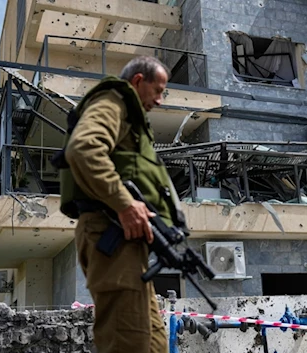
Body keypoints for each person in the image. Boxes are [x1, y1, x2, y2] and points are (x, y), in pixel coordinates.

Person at [58, 56, 180, 353]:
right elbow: (84, 149)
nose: (160, 101)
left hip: (128, 245)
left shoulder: (130, 117)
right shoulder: (114, 102)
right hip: (110, 234)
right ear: (138, 81)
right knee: (128, 342)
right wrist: (125, 204)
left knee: (152, 344)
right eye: (158, 90)